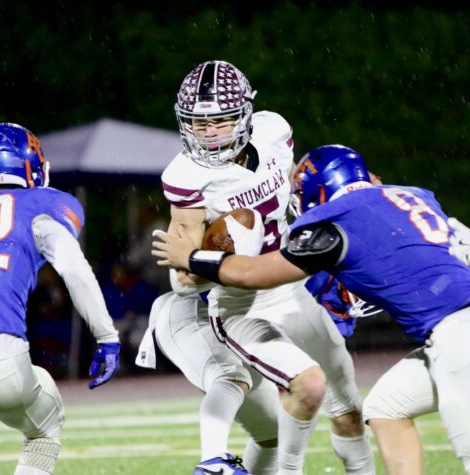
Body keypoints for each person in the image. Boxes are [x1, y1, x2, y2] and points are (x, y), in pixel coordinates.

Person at [153, 144, 470, 475]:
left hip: (461, 341)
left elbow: (251, 273)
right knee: (386, 407)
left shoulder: (336, 224)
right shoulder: (414, 197)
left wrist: (191, 258)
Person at [153, 60, 374, 475]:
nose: (207, 133)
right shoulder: (185, 175)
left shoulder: (274, 131)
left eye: (219, 121)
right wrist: (226, 251)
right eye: (197, 124)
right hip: (240, 304)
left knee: (347, 409)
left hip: (291, 286)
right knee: (307, 387)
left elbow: (297, 187)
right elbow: (184, 278)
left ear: (246, 117)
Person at [0, 123, 121, 474]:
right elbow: (74, 270)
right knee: (44, 430)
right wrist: (107, 336)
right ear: (29, 165)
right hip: (2, 364)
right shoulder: (44, 204)